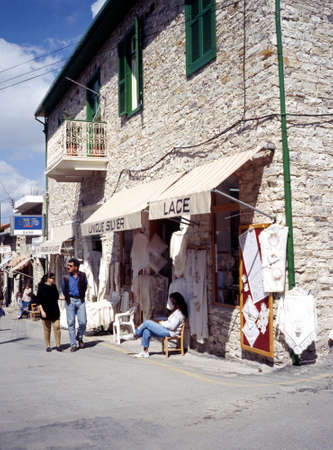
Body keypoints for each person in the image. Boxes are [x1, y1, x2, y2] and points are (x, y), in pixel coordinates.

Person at [134, 292, 188, 358]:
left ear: (176, 301)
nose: (171, 303)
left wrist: (161, 323)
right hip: (166, 329)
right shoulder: (176, 311)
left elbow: (172, 326)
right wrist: (163, 322)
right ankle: (145, 352)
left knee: (147, 322)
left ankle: (135, 335)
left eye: (172, 301)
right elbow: (170, 322)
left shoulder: (179, 313)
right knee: (146, 330)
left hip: (170, 332)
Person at [62, 258, 87, 352]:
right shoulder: (66, 277)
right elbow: (64, 290)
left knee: (83, 322)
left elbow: (85, 287)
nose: (68, 267)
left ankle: (79, 337)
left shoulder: (83, 276)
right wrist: (69, 298)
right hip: (70, 301)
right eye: (68, 265)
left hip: (80, 300)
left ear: (76, 267)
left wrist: (80, 295)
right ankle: (73, 344)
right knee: (71, 323)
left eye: (70, 266)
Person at [36, 273, 61, 352]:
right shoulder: (41, 287)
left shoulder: (54, 286)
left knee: (57, 327)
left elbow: (57, 297)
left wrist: (66, 297)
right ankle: (48, 346)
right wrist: (42, 311)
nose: (53, 280)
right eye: (52, 278)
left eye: (54, 278)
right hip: (45, 311)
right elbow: (38, 300)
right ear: (48, 279)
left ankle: (58, 345)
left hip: (55, 310)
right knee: (47, 329)